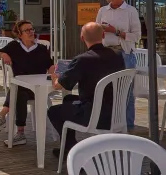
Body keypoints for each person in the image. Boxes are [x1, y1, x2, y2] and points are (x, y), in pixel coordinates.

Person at [47, 22, 125, 157]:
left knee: (54, 111)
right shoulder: (117, 56)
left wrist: (55, 77)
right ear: (103, 35)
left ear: (82, 38)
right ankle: (67, 148)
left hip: (93, 115)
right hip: (114, 111)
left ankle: (73, 150)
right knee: (68, 99)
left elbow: (60, 85)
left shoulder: (82, 60)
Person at [0, 20, 55, 147]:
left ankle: (3, 116)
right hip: (21, 88)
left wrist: (54, 73)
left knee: (16, 90)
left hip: (38, 89)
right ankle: (20, 133)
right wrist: (4, 54)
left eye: (32, 29)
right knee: (18, 91)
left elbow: (50, 65)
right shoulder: (14, 46)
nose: (31, 32)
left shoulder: (41, 49)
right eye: (27, 30)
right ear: (20, 35)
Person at [96, 0, 141, 131]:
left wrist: (115, 31)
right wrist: (99, 33)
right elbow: (97, 32)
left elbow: (136, 36)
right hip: (106, 55)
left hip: (124, 54)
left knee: (126, 93)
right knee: (107, 91)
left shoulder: (131, 11)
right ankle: (110, 125)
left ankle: (128, 127)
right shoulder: (102, 10)